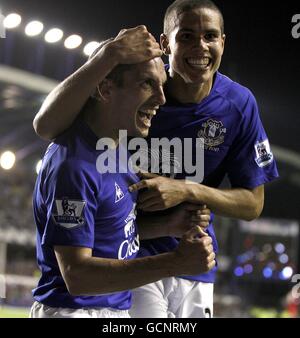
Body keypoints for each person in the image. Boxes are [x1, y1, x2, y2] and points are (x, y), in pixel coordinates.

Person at [33, 0, 279, 318]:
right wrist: (108, 55)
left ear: (223, 42)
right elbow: (48, 127)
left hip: (191, 252)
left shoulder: (239, 104)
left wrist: (187, 191)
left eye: (210, 36)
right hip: (130, 266)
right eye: (186, 36)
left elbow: (253, 204)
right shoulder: (130, 93)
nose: (200, 47)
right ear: (166, 43)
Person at [30, 27, 215, 318]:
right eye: (147, 84)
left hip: (110, 311)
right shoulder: (75, 165)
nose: (161, 99)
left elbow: (103, 236)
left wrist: (169, 226)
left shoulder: (113, 151)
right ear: (105, 88)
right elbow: (77, 275)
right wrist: (175, 263)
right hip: (74, 312)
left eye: (162, 85)